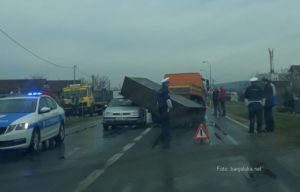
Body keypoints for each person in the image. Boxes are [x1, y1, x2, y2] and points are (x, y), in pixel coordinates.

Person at [157, 77, 173, 149]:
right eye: (167, 83)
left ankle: (163, 139)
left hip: (161, 111)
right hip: (165, 111)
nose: (168, 84)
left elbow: (157, 102)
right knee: (166, 126)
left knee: (163, 126)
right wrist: (170, 107)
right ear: (165, 84)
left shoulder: (159, 91)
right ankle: (166, 142)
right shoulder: (165, 91)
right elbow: (168, 100)